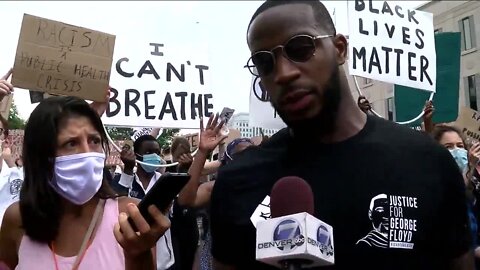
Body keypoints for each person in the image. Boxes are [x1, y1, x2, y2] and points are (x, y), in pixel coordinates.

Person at [210, 1, 473, 269]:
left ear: (339, 49)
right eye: (264, 62)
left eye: (301, 48)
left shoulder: (428, 162)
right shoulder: (239, 181)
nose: (283, 73)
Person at [0, 96, 169, 270]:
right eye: (71, 143)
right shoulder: (18, 218)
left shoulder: (129, 216)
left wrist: (139, 254)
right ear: (41, 156)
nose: (88, 154)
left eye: (94, 141)